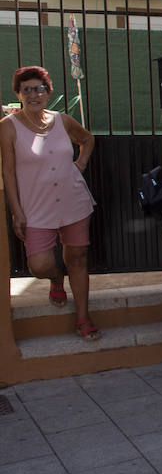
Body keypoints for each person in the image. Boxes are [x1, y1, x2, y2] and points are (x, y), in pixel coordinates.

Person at [0, 66, 99, 340]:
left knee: (77, 258)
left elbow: (87, 139)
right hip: (35, 206)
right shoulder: (8, 127)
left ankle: (83, 317)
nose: (34, 94)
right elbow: (8, 172)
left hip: (73, 200)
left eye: (39, 89)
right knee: (39, 265)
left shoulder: (62, 120)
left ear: (48, 92)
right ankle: (56, 278)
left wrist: (79, 164)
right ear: (18, 94)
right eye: (27, 90)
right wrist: (16, 212)